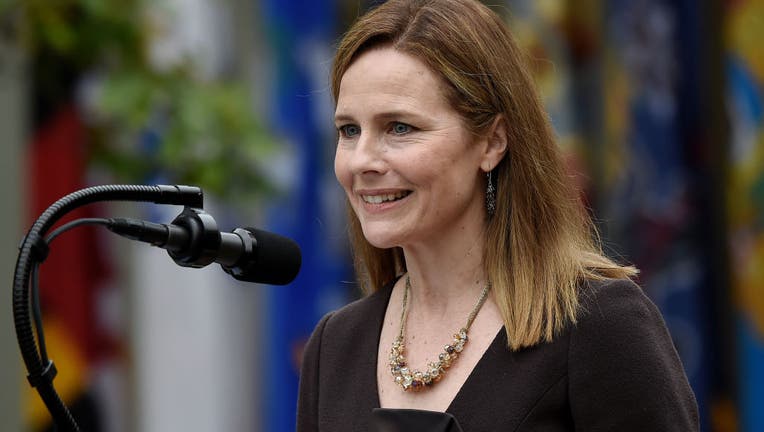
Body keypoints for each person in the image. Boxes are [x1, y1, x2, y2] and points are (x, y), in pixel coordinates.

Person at [297, 0, 699, 430]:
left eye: (400, 127)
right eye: (349, 131)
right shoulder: (335, 344)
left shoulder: (598, 324)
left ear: (492, 142)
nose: (361, 161)